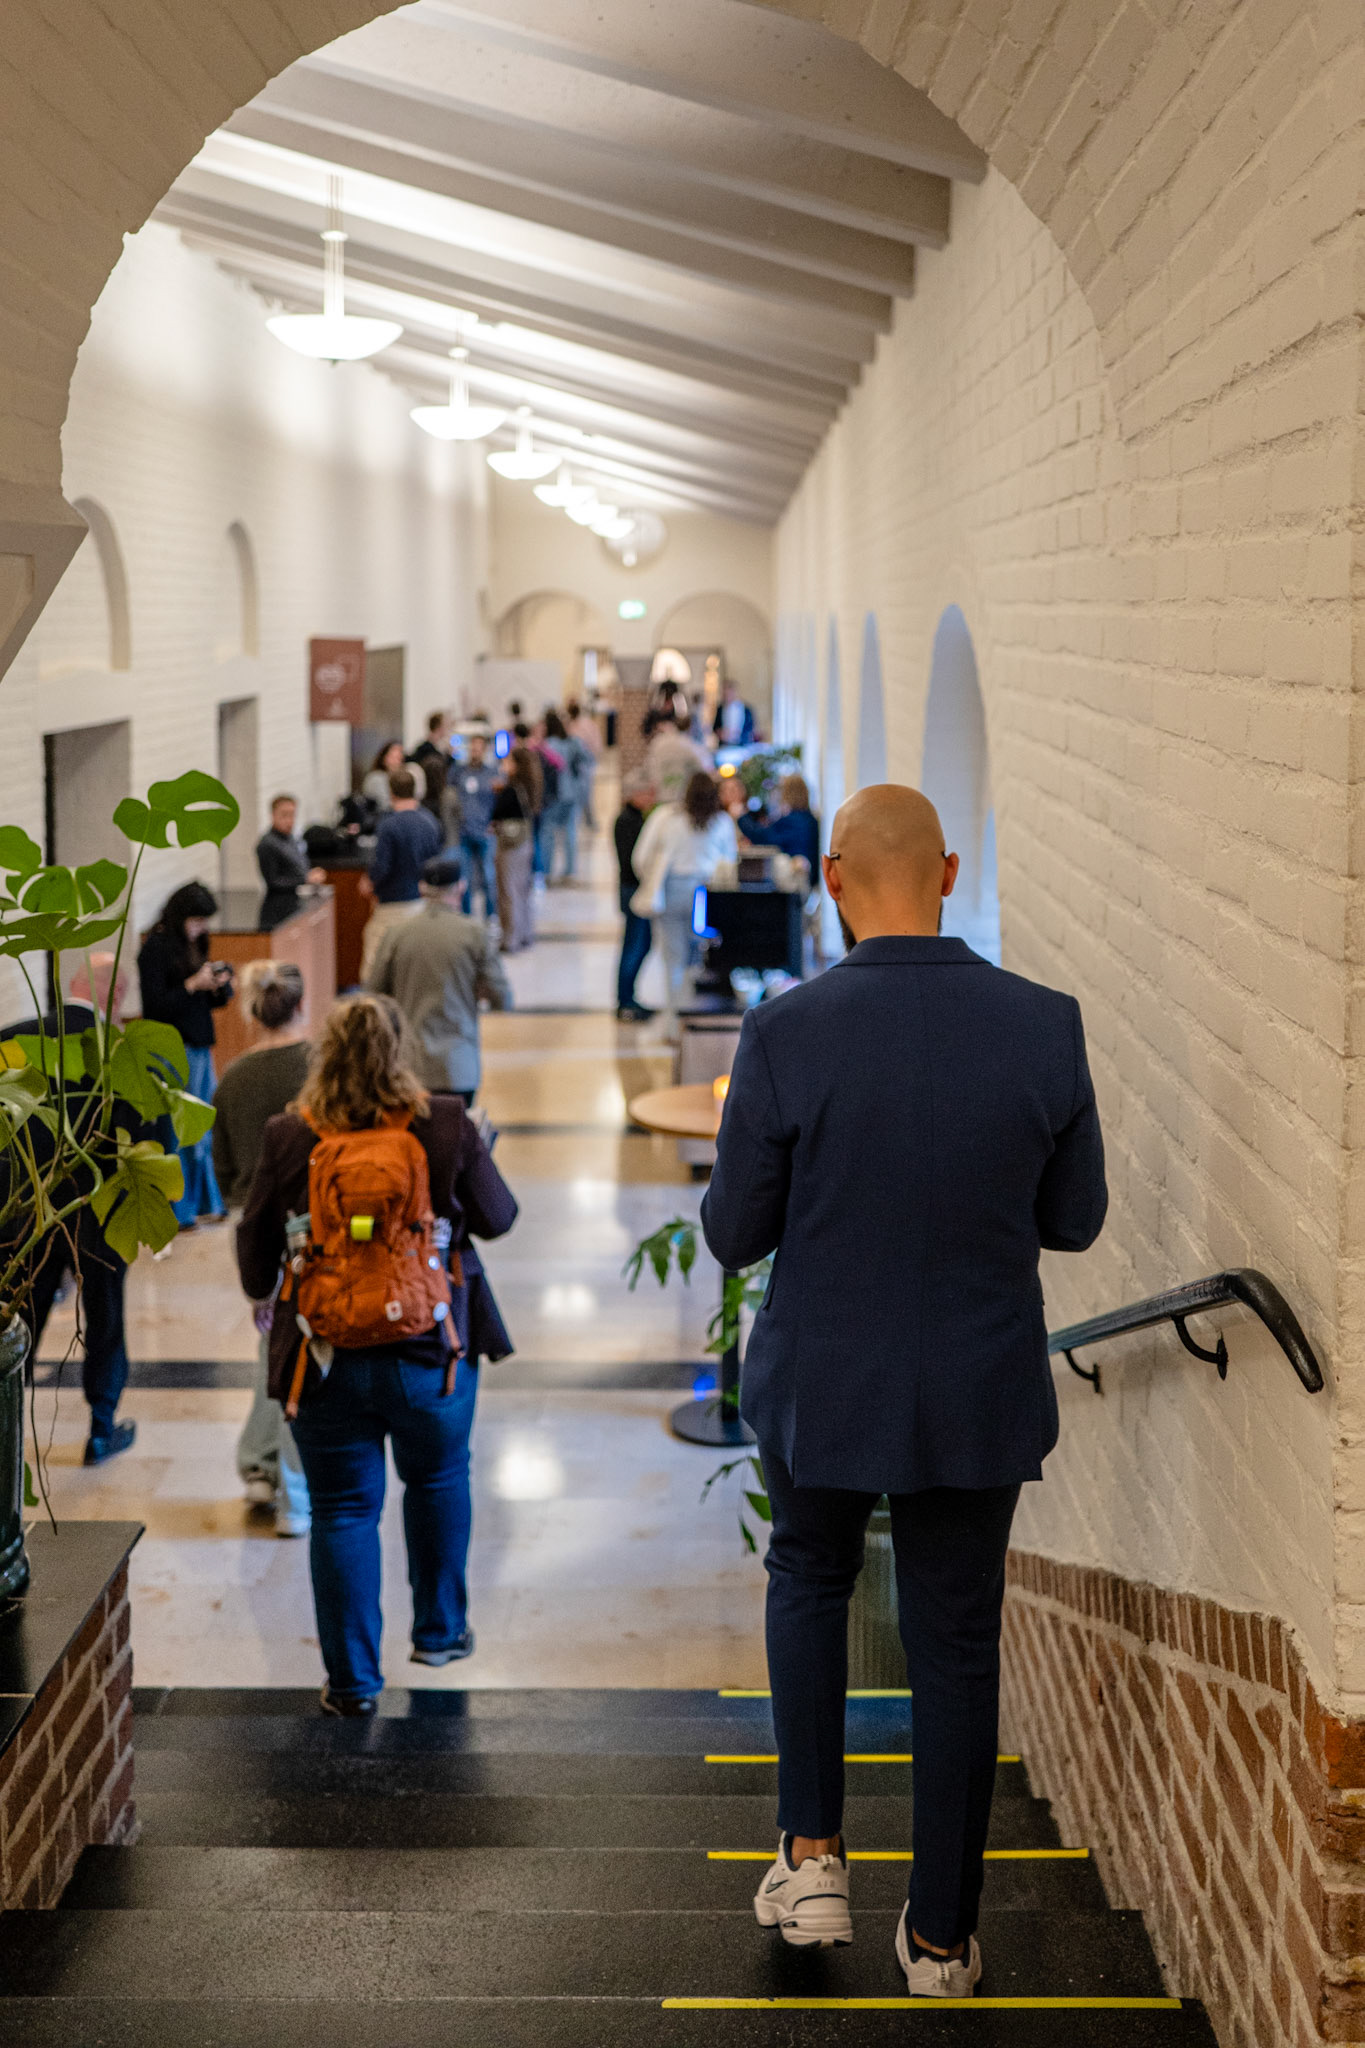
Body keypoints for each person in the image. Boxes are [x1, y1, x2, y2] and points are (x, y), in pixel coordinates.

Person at [700, 784, 1107, 1996]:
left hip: (821, 1380)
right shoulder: (1045, 1024)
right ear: (950, 871)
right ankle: (939, 1939)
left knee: (809, 1577)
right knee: (956, 1640)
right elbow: (1076, 1219)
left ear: (832, 878)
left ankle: (814, 1858)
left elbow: (733, 1233)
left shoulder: (784, 1030)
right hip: (977, 1382)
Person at [236, 994, 518, 1714]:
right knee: (438, 1479)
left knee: (341, 1512)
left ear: (324, 1055)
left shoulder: (288, 1135)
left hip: (325, 1357)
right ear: (401, 1050)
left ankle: (353, 1684)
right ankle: (440, 1634)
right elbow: (499, 1218)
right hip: (431, 1351)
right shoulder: (445, 1123)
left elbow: (255, 1260)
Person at [10, 955, 140, 1465]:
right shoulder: (121, 1053)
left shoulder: (15, 1039)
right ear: (116, 994)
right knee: (105, 1318)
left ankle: (7, 1420)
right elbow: (145, 1139)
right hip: (98, 1211)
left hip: (27, 1212)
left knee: (20, 1316)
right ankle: (101, 1429)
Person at [212, 961, 314, 1536]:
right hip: (308, 1224)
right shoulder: (320, 1066)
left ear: (254, 1011)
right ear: (302, 1004)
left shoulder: (234, 1077)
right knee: (301, 1352)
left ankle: (258, 1462)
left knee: (270, 1343)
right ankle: (292, 1489)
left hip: (253, 1225)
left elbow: (223, 1166)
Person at [369, 854, 512, 1104]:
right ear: (461, 887)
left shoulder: (396, 935)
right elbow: (502, 997)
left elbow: (374, 995)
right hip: (458, 1066)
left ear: (422, 889)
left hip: (409, 1066)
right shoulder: (474, 934)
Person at [137, 881, 234, 1231]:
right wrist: (192, 985)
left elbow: (210, 1002)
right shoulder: (155, 949)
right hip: (173, 1050)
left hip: (199, 1045)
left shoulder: (194, 943)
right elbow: (155, 1007)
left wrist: (218, 985)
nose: (201, 928)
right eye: (196, 920)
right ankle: (181, 1209)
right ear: (181, 917)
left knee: (203, 1128)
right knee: (180, 1132)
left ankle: (208, 1201)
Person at [631, 770, 737, 1021]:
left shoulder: (665, 818)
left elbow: (641, 857)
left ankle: (673, 1018)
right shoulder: (722, 821)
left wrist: (652, 881)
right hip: (707, 895)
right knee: (698, 956)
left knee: (672, 957)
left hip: (671, 891)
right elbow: (730, 863)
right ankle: (693, 1013)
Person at [359, 767, 442, 982]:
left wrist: (368, 881)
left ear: (391, 792)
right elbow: (435, 862)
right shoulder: (430, 821)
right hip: (421, 902)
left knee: (374, 963)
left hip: (392, 903)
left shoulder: (388, 826)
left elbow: (382, 866)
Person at [613, 771, 656, 1022]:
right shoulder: (628, 821)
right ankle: (625, 1001)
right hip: (633, 890)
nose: (651, 798)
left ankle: (629, 997)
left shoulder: (634, 818)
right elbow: (634, 861)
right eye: (647, 793)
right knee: (634, 945)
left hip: (633, 889)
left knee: (641, 944)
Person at [491, 744, 541, 954]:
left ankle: (510, 937)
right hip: (525, 842)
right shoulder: (530, 786)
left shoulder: (511, 789)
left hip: (510, 844)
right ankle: (524, 933)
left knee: (508, 890)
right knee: (522, 889)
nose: (504, 764)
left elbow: (496, 814)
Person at [447, 729, 499, 919]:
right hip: (465, 832)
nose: (475, 752)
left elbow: (498, 800)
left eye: (479, 749)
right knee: (465, 877)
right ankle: (466, 915)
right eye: (473, 748)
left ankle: (491, 914)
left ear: (484, 750)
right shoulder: (459, 772)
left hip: (485, 831)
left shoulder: (492, 773)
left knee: (488, 876)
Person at [256, 794, 326, 924]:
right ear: (273, 815)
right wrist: (305, 879)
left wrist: (309, 875)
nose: (289, 820)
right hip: (277, 910)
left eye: (292, 815)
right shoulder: (267, 844)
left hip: (295, 904)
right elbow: (273, 881)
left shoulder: (291, 838)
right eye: (284, 815)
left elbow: (299, 865)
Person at [540, 709, 590, 884]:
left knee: (548, 832)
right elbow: (587, 759)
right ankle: (570, 871)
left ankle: (546, 872)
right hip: (572, 793)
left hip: (554, 795)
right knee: (569, 831)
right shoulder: (573, 742)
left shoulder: (547, 745)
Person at [741, 773, 821, 881]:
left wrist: (741, 817)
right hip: (812, 879)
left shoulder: (791, 821)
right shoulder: (811, 820)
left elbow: (761, 837)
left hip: (796, 881)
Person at [645, 704, 711, 805]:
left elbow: (649, 767)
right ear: (691, 727)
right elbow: (705, 769)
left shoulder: (658, 743)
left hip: (661, 797)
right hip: (684, 799)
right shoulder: (691, 746)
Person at [566, 698, 601, 829]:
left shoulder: (586, 724)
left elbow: (595, 743)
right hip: (574, 765)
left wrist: (592, 756)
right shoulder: (569, 725)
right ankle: (578, 821)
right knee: (576, 794)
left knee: (586, 793)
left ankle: (589, 820)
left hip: (585, 762)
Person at [409, 712, 452, 821]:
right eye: (446, 726)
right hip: (428, 800)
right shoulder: (425, 750)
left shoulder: (442, 751)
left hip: (438, 800)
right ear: (439, 727)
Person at [362, 740, 406, 813]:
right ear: (384, 758)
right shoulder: (376, 778)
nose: (396, 762)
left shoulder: (403, 778)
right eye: (393, 757)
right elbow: (384, 805)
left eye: (399, 758)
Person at [712, 676, 757, 748]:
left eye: (729, 692)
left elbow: (750, 729)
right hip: (724, 746)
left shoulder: (746, 709)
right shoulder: (720, 708)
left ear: (735, 692)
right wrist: (720, 733)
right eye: (724, 693)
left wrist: (737, 734)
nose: (726, 695)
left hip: (742, 746)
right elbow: (715, 727)